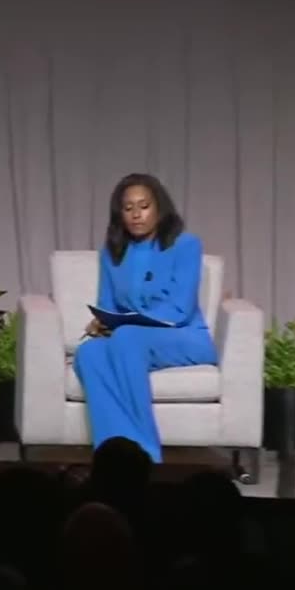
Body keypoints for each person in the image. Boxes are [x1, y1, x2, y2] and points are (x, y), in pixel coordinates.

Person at [73, 173, 217, 463]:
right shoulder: (112, 253)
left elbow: (180, 310)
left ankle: (148, 456)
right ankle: (113, 455)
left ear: (159, 208)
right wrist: (102, 322)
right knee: (88, 353)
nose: (136, 214)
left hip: (185, 336)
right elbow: (108, 304)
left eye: (144, 206)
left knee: (127, 337)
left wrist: (126, 324)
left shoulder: (186, 245)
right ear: (120, 214)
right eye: (128, 208)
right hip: (132, 338)